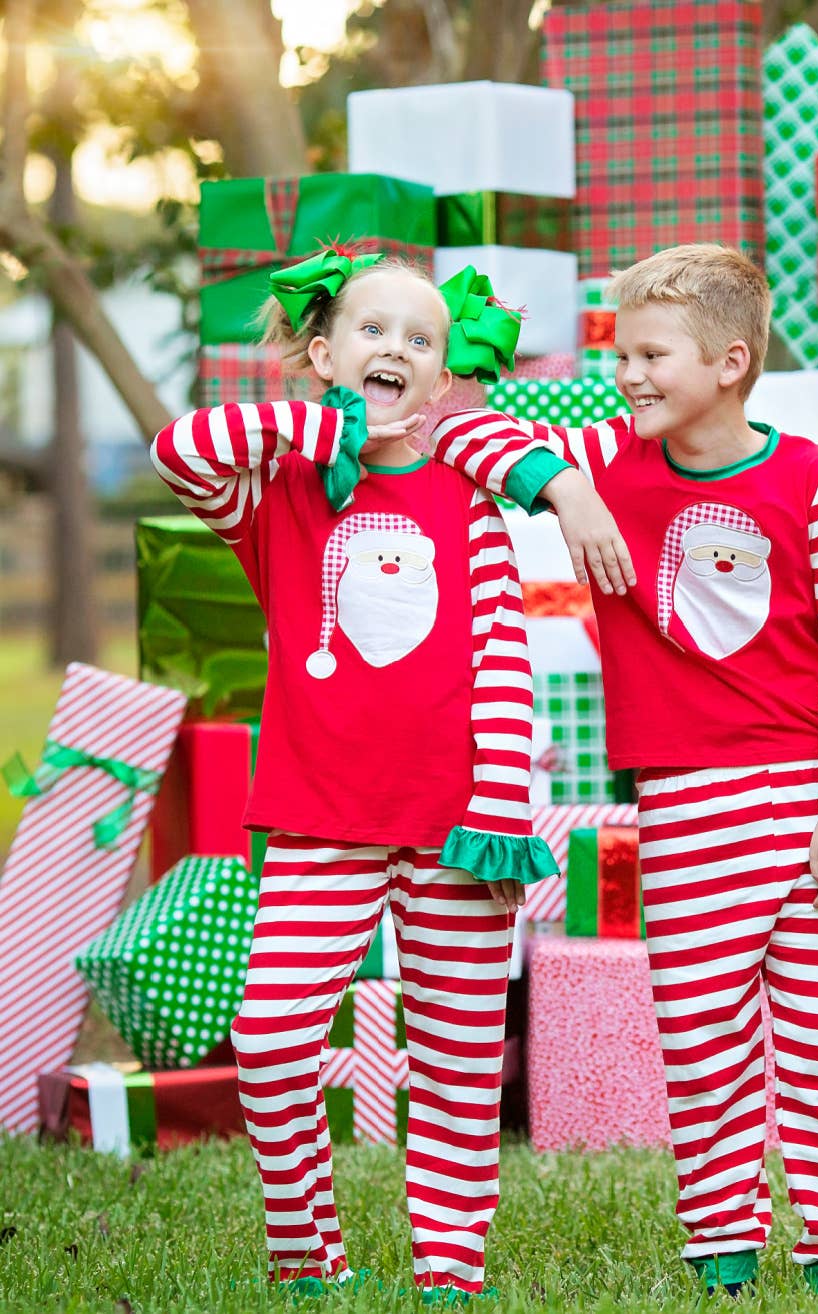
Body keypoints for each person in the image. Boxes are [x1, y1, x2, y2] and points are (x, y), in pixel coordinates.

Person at [427, 244, 818, 1297]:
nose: (628, 375)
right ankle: (721, 1248)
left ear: (729, 362)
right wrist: (567, 497)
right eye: (620, 353)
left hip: (803, 799)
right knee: (700, 1035)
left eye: (649, 355)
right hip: (682, 805)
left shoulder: (811, 481)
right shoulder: (607, 457)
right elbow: (462, 432)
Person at [151, 249, 557, 1302]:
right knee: (273, 1039)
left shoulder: (469, 498)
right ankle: (308, 1252)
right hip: (319, 817)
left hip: (455, 824)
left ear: (442, 378)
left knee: (460, 1058)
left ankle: (449, 1269)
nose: (397, 351)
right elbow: (177, 447)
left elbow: (503, 658)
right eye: (372, 331)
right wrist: (317, 428)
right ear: (326, 353)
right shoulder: (277, 491)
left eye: (420, 341)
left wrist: (501, 810)